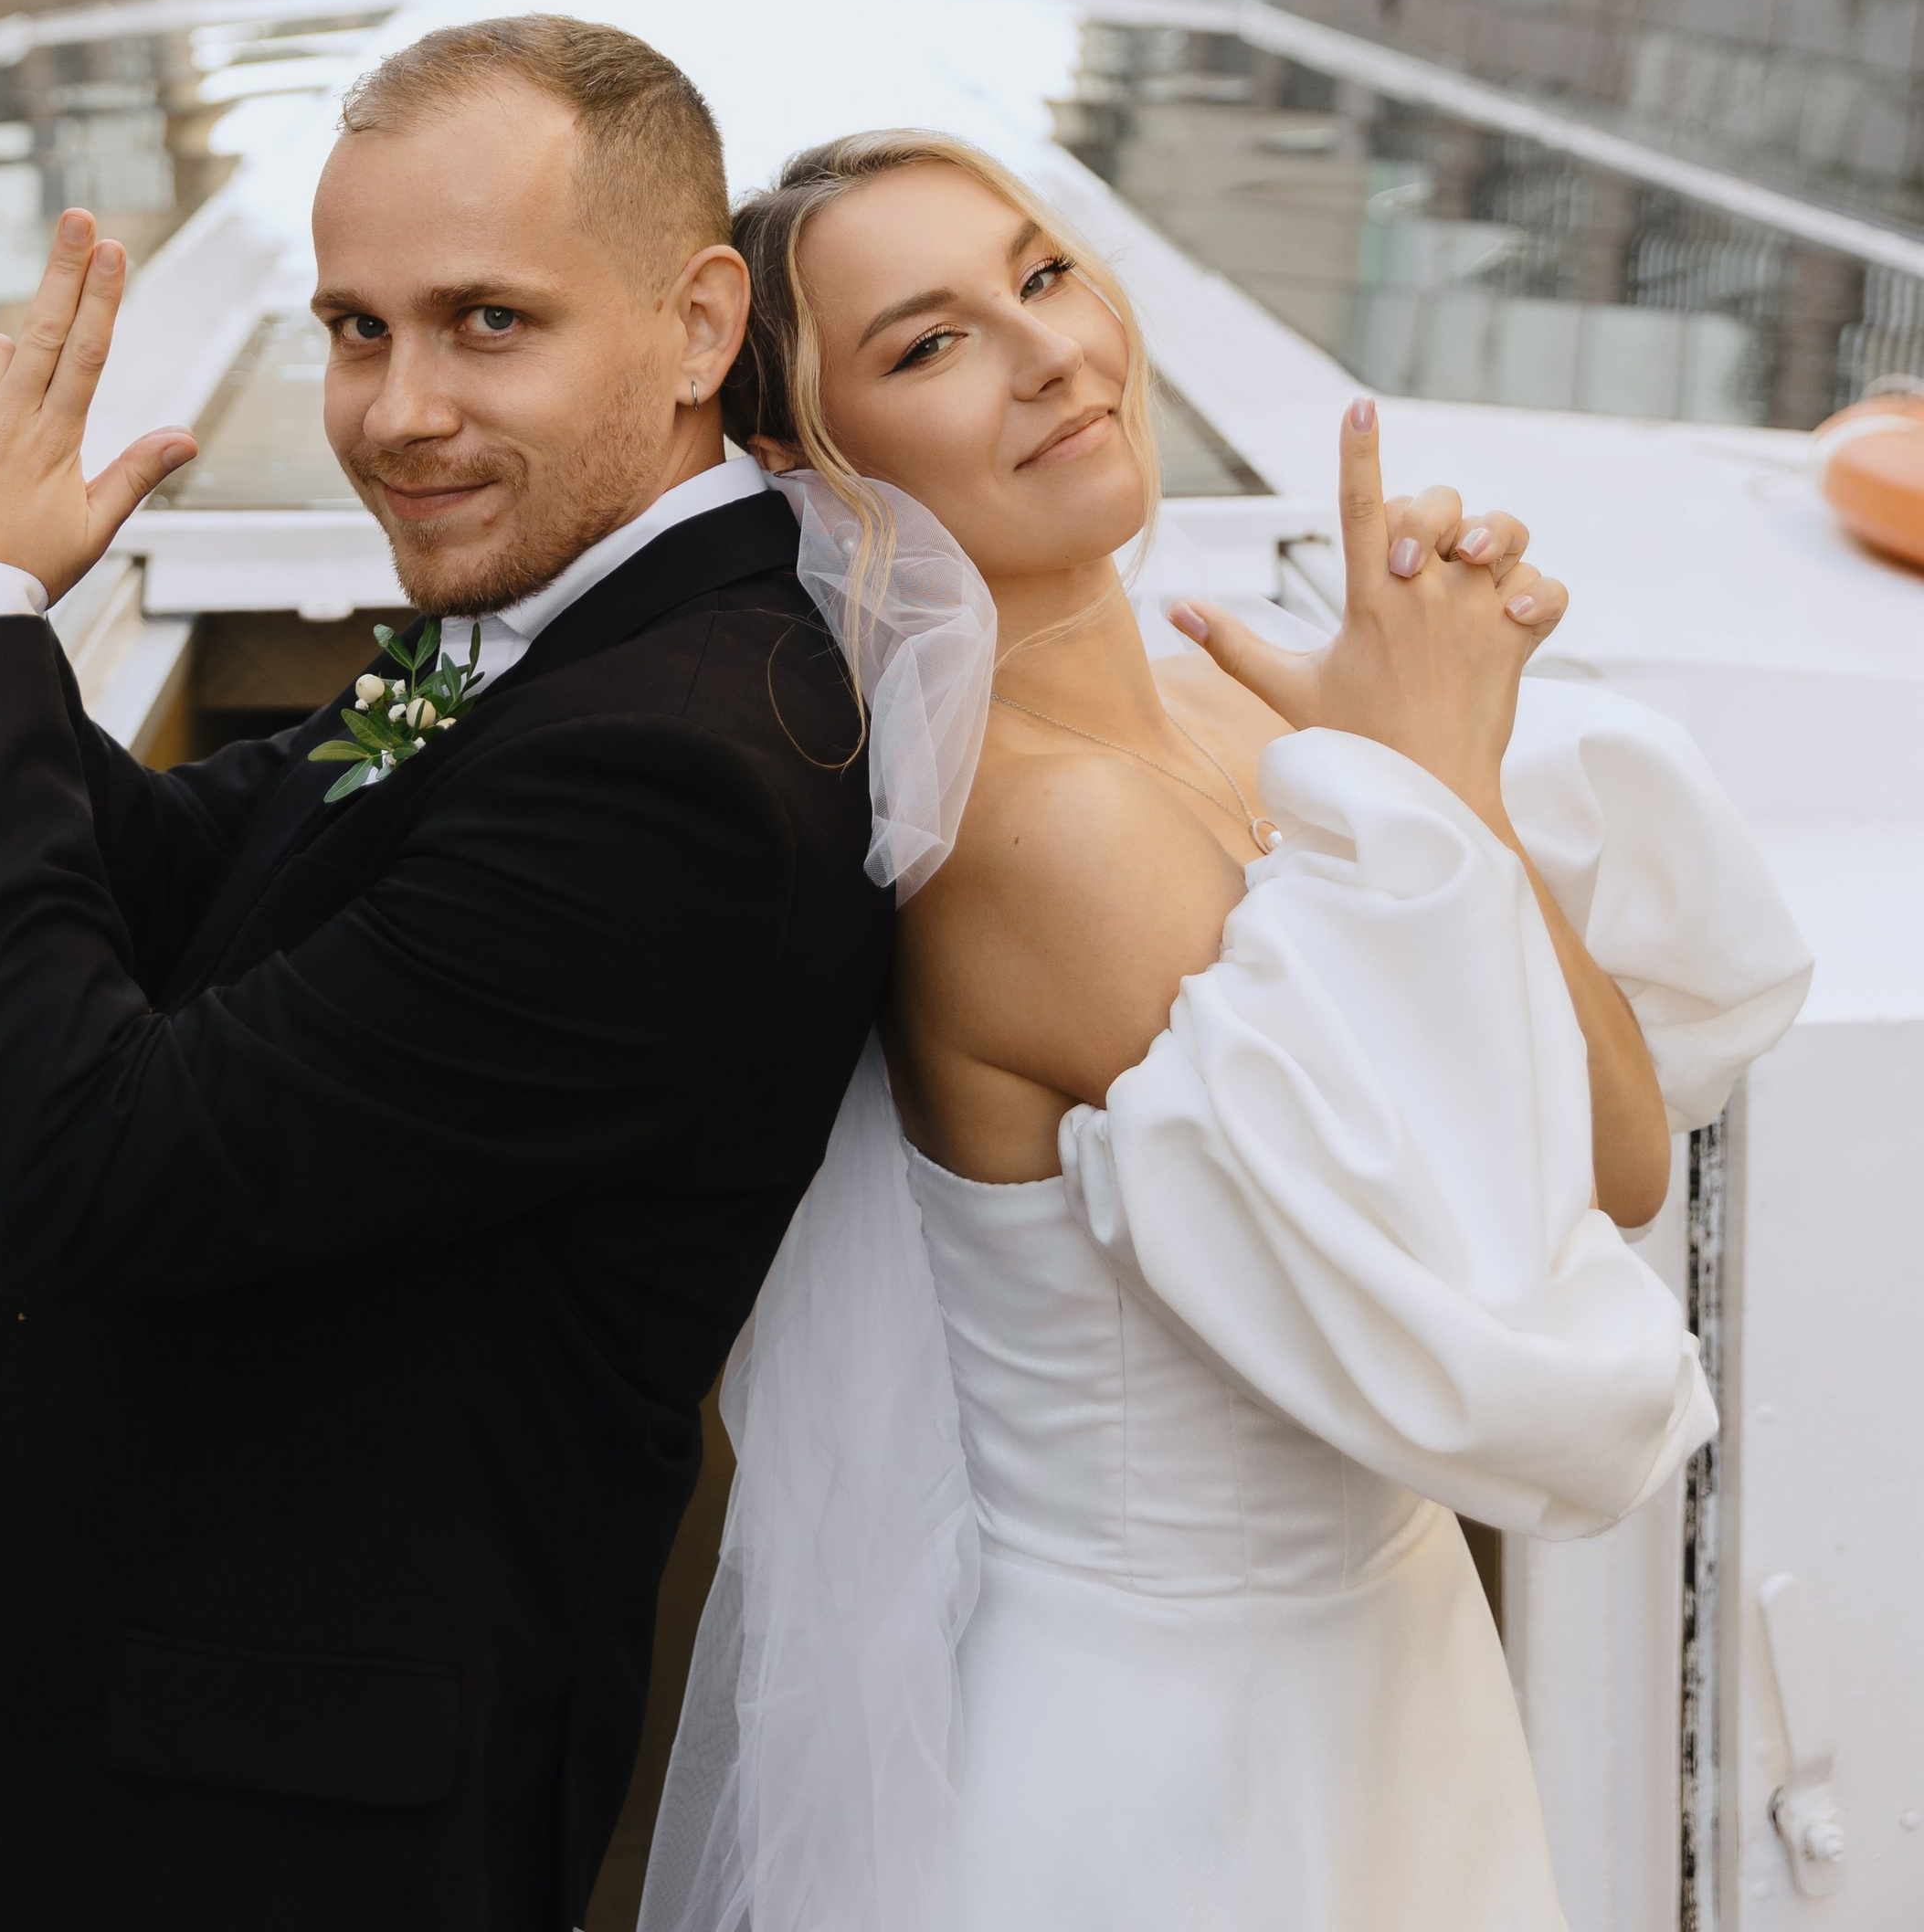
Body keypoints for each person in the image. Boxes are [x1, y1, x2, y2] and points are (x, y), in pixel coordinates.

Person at [0, 17, 894, 1932]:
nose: (394, 411)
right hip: (182, 1755)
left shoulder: (667, 773)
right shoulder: (535, 635)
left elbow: (83, 1169)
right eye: (356, 329)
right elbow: (202, 870)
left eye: (485, 322)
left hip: (292, 1832)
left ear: (700, 328)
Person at [642, 129, 1813, 1932]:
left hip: (1379, 1680)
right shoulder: (1040, 835)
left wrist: (1445, 780)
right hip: (1181, 1758)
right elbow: (1559, 1211)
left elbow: (1611, 1151)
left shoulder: (1213, 697)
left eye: (1039, 275)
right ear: (814, 468)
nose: (1048, 356)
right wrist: (1437, 790)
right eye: (928, 345)